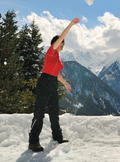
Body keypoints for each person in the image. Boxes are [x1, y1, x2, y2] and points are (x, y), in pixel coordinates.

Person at [28, 17, 80, 152]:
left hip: (52, 84)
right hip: (44, 83)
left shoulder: (57, 58)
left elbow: (56, 73)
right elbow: (61, 36)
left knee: (54, 112)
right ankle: (33, 142)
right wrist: (71, 25)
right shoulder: (51, 52)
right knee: (39, 113)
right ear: (56, 43)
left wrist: (65, 84)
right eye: (62, 42)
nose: (63, 44)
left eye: (64, 43)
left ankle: (57, 137)